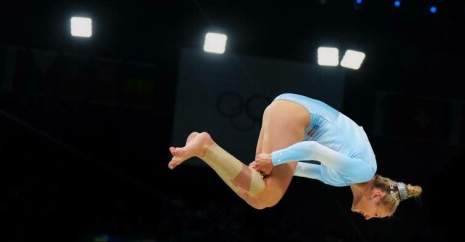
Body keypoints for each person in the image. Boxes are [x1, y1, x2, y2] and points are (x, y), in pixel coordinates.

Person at [168, 92, 421, 219]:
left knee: (258, 196)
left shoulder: (343, 179)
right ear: (376, 195)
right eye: (375, 214)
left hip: (287, 111)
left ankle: (205, 151)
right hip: (298, 115)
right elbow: (313, 150)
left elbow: (299, 167)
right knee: (269, 194)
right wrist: (275, 159)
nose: (368, 217)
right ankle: (206, 147)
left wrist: (265, 166)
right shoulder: (362, 172)